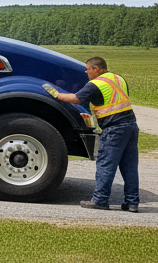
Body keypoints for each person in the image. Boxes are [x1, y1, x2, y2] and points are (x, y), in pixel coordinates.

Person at [45, 57, 140, 212]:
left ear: (96, 69)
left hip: (113, 129)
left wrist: (56, 94)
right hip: (131, 126)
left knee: (105, 165)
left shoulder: (95, 84)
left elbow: (76, 99)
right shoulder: (118, 78)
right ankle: (132, 202)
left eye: (88, 69)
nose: (86, 72)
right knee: (129, 167)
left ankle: (100, 200)